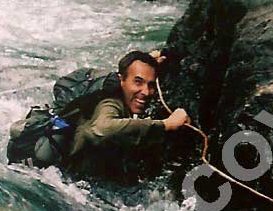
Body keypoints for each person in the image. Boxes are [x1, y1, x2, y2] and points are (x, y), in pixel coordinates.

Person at [63, 50, 190, 181]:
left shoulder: (124, 91)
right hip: (73, 180)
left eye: (151, 85)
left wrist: (150, 58)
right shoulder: (109, 103)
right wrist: (166, 125)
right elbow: (102, 128)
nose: (146, 92)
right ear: (121, 80)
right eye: (138, 82)